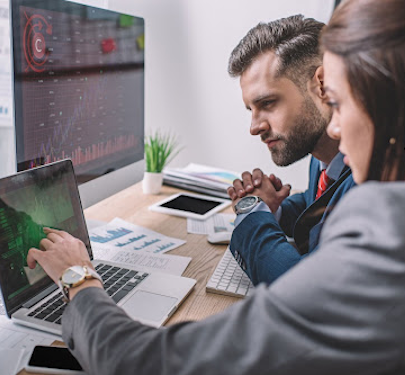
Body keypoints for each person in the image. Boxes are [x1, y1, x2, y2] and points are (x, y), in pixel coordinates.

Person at [27, 0, 405, 373]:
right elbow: (320, 205)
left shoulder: (385, 229)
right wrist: (272, 207)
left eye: (337, 101)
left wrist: (77, 276)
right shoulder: (340, 168)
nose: (335, 127)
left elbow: (141, 362)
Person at [226, 15, 356, 285]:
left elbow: (299, 285)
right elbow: (318, 204)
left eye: (268, 103)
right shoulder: (323, 156)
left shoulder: (369, 176)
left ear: (322, 84)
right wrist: (276, 209)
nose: (254, 127)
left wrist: (252, 215)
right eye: (251, 110)